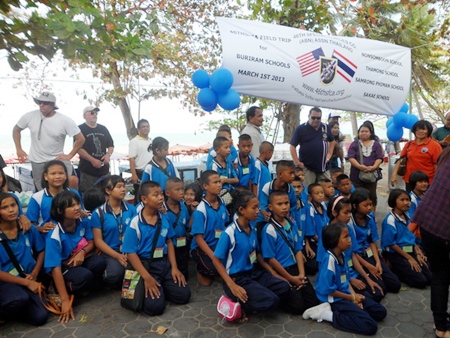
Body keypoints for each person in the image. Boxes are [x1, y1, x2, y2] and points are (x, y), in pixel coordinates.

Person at [213, 189, 290, 322]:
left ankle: (255, 295)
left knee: (284, 287)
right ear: (242, 210)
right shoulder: (229, 233)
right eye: (254, 208)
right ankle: (235, 303)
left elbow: (257, 255)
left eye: (258, 207)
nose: (258, 211)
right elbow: (216, 259)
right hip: (237, 279)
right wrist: (232, 285)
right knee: (271, 301)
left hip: (254, 274)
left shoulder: (252, 228)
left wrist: (273, 273)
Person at [302, 223, 387, 335]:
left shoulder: (342, 255)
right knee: (370, 326)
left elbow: (345, 282)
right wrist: (351, 297)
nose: (350, 240)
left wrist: (355, 299)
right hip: (333, 300)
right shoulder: (329, 261)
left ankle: (353, 314)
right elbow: (328, 290)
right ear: (334, 241)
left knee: (380, 312)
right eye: (346, 237)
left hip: (345, 295)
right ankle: (326, 314)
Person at [121, 181, 191, 316]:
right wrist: (146, 277)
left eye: (161, 194)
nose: (160, 198)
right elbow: (130, 253)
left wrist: (174, 267)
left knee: (184, 296)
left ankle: (162, 288)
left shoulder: (164, 219)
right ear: (144, 199)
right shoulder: (135, 223)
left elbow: (169, 241)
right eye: (155, 195)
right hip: (146, 266)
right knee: (155, 308)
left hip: (163, 264)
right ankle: (155, 289)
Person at [44, 190, 106, 323]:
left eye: (78, 203)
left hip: (79, 258)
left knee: (99, 262)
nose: (77, 207)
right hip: (63, 266)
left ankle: (86, 288)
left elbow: (91, 242)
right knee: (84, 276)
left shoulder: (82, 222)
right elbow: (55, 269)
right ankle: (59, 289)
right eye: (71, 206)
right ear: (60, 211)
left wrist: (82, 252)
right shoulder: (54, 235)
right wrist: (65, 300)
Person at [260, 190, 320, 315]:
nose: (284, 207)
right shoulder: (269, 230)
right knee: (298, 307)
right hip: (282, 271)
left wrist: (302, 274)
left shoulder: (292, 223)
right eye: (279, 204)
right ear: (270, 207)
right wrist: (291, 278)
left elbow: (298, 249)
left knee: (313, 302)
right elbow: (271, 259)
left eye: (286, 203)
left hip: (296, 268)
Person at [411, 147, 450, 338]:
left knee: (440, 276)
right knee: (442, 276)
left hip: (428, 220)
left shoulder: (446, 151)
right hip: (444, 227)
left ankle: (441, 326)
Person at [13, 91, 85, 190]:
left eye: (45, 103)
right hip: (37, 161)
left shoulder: (65, 120)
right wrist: (19, 149)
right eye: (39, 102)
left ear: (52, 105)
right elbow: (16, 130)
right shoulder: (29, 116)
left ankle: (71, 203)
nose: (41, 105)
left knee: (72, 180)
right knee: (42, 189)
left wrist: (70, 155)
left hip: (57, 158)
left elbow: (80, 139)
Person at [0, 192, 49, 326]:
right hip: (6, 281)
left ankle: (18, 307)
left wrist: (34, 273)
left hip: (28, 276)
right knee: (19, 299)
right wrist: (25, 283)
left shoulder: (27, 228)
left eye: (13, 205)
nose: (11, 210)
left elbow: (41, 250)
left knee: (41, 316)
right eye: (4, 208)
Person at [326, 196, 384, 303]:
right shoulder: (327, 233)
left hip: (351, 272)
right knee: (375, 307)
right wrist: (350, 281)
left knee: (378, 292)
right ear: (334, 213)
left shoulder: (347, 228)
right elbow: (329, 266)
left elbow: (352, 255)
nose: (349, 216)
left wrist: (368, 279)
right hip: (341, 279)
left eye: (350, 212)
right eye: (346, 213)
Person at [349, 188, 401, 295]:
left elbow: (372, 241)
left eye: (370, 204)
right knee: (379, 291)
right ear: (354, 206)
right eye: (365, 205)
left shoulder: (370, 216)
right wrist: (369, 266)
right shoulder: (349, 222)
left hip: (369, 253)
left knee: (395, 285)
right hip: (358, 257)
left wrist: (378, 262)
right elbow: (352, 252)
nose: (369, 208)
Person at [91, 175, 137, 289]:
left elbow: (136, 233)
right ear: (108, 190)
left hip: (130, 250)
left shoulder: (131, 209)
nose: (123, 189)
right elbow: (98, 240)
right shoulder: (98, 213)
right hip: (110, 252)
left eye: (124, 186)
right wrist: (117, 256)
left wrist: (129, 251)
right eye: (119, 187)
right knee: (114, 274)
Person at [381, 189, 431, 289]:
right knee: (421, 281)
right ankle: (395, 269)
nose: (406, 203)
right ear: (394, 202)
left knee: (430, 278)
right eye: (402, 200)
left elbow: (410, 237)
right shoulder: (390, 220)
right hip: (395, 253)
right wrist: (409, 258)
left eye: (407, 200)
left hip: (409, 250)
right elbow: (391, 243)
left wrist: (417, 253)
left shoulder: (407, 216)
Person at [190, 170, 230, 286]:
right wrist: (214, 257)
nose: (219, 185)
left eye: (219, 181)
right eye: (215, 182)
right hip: (202, 247)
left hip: (218, 244)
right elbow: (198, 239)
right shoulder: (201, 210)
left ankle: (216, 271)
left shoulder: (222, 202)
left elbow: (226, 225)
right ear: (205, 186)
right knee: (213, 270)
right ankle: (201, 270)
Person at [26, 160, 83, 235]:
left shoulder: (74, 193)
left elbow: (82, 213)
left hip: (73, 237)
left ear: (66, 175)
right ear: (46, 176)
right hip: (47, 238)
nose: (57, 176)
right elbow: (30, 224)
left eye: (61, 173)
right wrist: (41, 228)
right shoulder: (37, 197)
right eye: (53, 173)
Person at [290, 107, 336, 188]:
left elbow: (332, 141)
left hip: (323, 166)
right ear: (308, 116)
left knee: (327, 189)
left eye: (318, 118)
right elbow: (292, 146)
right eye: (313, 118)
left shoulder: (325, 127)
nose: (316, 120)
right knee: (308, 189)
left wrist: (329, 154)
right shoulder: (301, 129)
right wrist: (297, 161)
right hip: (308, 166)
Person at [391, 120, 442, 192]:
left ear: (429, 131)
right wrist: (394, 174)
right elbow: (400, 159)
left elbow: (437, 165)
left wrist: (438, 182)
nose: (420, 131)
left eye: (423, 129)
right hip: (410, 180)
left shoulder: (435, 145)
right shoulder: (409, 144)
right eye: (417, 129)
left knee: (425, 203)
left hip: (427, 182)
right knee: (410, 202)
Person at [77, 106, 114, 195]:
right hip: (88, 172)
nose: (95, 115)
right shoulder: (80, 129)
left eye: (96, 113)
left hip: (104, 171)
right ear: (84, 115)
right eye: (92, 113)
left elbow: (111, 145)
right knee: (90, 197)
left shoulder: (103, 128)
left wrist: (108, 155)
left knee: (107, 195)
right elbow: (78, 148)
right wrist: (92, 160)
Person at [347, 123, 383, 210]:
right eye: (362, 131)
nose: (364, 133)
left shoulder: (376, 144)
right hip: (357, 174)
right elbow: (351, 157)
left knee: (372, 194)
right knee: (358, 194)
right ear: (358, 133)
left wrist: (373, 167)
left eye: (366, 131)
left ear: (370, 133)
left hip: (372, 174)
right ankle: (357, 212)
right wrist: (359, 166)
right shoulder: (354, 144)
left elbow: (379, 158)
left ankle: (372, 214)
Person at [163, 177, 191, 279]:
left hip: (183, 245)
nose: (181, 192)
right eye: (177, 189)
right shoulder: (162, 210)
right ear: (168, 193)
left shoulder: (183, 207)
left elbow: (187, 225)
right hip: (169, 247)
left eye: (182, 189)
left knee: (184, 270)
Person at [257, 160, 296, 226]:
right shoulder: (267, 187)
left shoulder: (291, 189)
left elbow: (293, 205)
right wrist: (265, 214)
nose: (293, 176)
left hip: (283, 219)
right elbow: (262, 206)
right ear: (280, 174)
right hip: (265, 220)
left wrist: (288, 213)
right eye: (290, 173)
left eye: (293, 173)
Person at [207, 136, 238, 204]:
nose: (229, 150)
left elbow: (236, 180)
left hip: (230, 190)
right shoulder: (213, 166)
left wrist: (225, 180)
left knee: (243, 197)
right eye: (226, 147)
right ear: (217, 150)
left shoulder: (228, 163)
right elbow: (213, 185)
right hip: (219, 194)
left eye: (229, 147)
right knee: (231, 202)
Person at [128, 119, 152, 184]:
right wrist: (134, 175)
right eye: (143, 127)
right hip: (140, 172)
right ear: (138, 129)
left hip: (151, 172)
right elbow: (132, 159)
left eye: (147, 126)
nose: (146, 128)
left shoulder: (151, 141)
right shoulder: (134, 142)